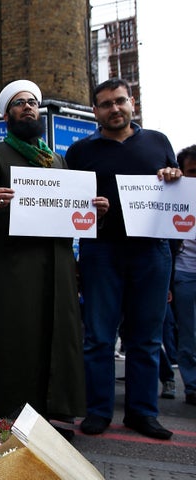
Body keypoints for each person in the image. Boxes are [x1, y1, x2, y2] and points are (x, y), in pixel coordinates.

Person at [0, 80, 107, 430]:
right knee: (17, 337)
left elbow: (68, 209)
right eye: (19, 103)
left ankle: (55, 409)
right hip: (13, 267)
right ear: (6, 114)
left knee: (57, 337)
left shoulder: (56, 159)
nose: (28, 107)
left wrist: (92, 211)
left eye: (32, 102)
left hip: (57, 266)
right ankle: (11, 409)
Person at [66, 78, 181, 440]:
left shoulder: (158, 142)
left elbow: (175, 185)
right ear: (95, 111)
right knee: (99, 337)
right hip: (101, 250)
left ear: (132, 103)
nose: (114, 108)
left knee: (146, 339)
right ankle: (98, 410)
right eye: (105, 104)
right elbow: (71, 203)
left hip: (152, 250)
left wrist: (173, 174)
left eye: (119, 101)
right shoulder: (81, 151)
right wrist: (89, 208)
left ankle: (142, 413)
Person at [172, 144, 196, 406]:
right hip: (185, 274)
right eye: (192, 171)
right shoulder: (175, 196)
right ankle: (192, 386)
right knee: (188, 334)